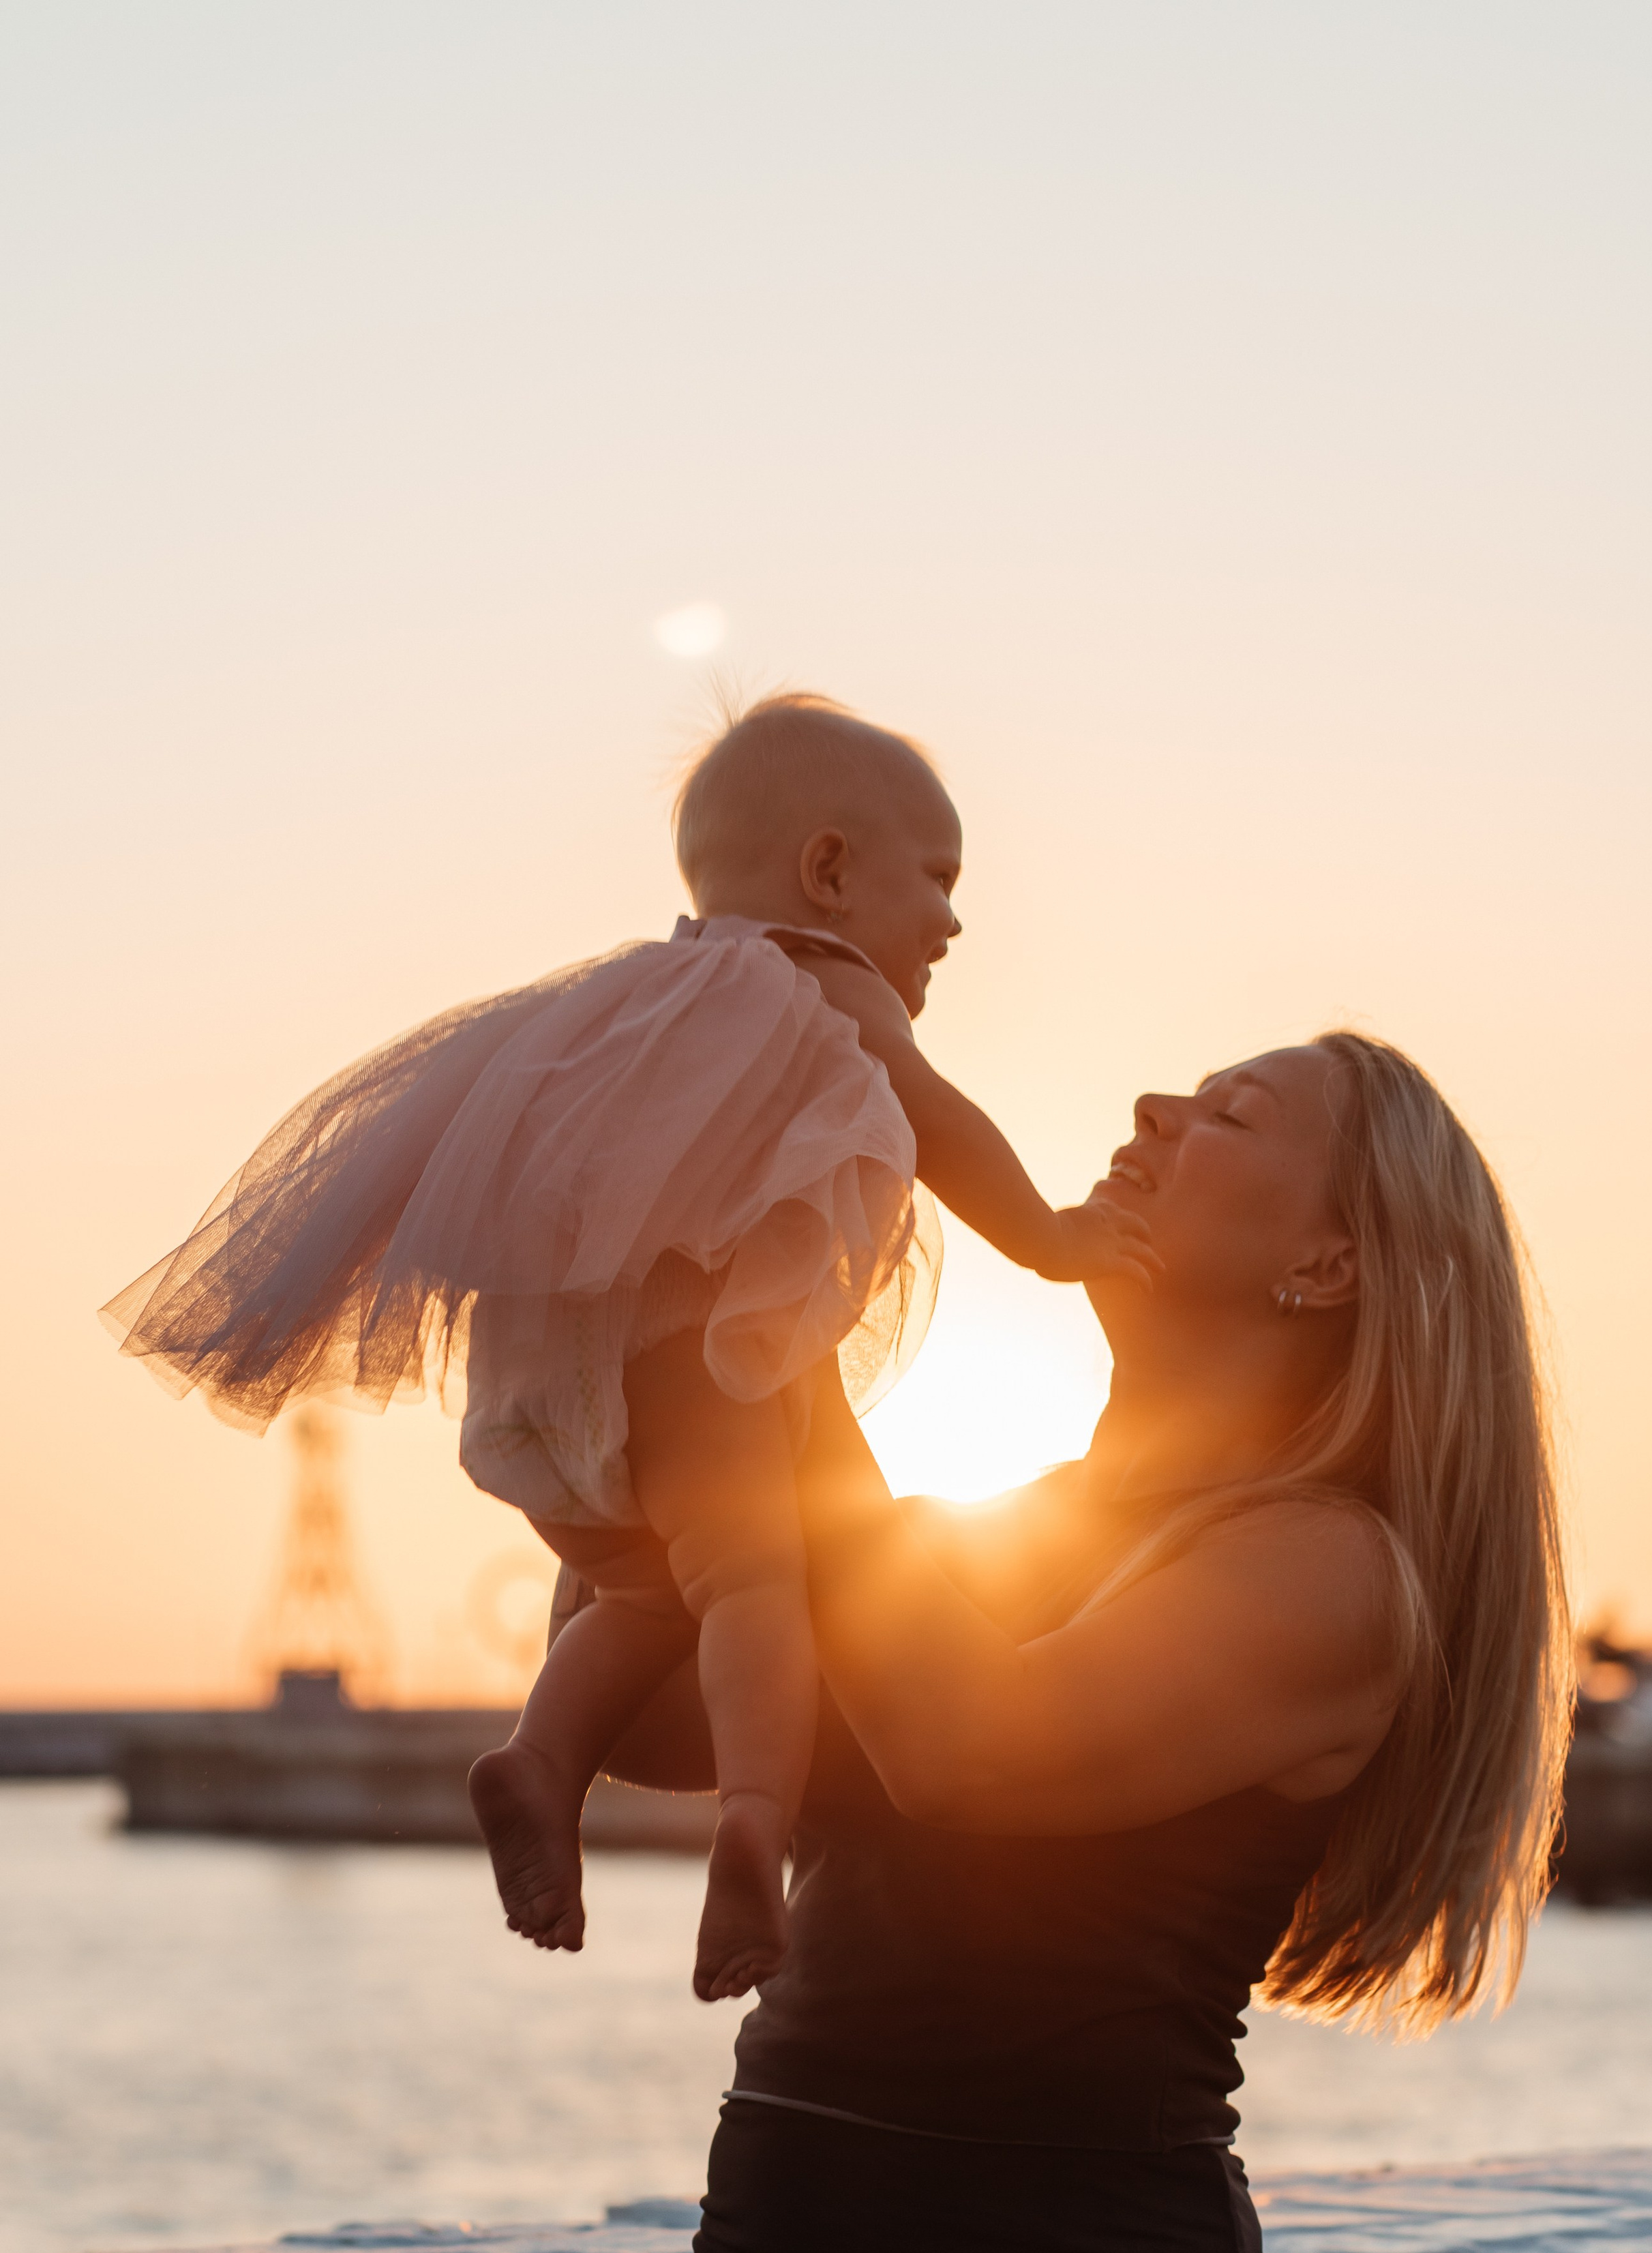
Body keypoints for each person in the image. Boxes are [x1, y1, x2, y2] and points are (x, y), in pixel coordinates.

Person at [599, 1030, 1571, 2253]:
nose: (1151, 1109)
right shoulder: (999, 1526)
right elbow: (648, 1725)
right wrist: (663, 1371)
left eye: (1229, 1111)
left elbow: (968, 1749)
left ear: (1326, 1263)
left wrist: (793, 1352)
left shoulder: (1331, 1573)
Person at [98, 693, 1158, 2002]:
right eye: (937, 879)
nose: (952, 922)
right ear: (828, 872)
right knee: (756, 1586)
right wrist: (1051, 1239)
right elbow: (935, 1118)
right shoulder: (817, 976)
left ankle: (540, 1761)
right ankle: (755, 1823)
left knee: (649, 1598)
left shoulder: (628, 1004)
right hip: (693, 1359)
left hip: (547, 1383)